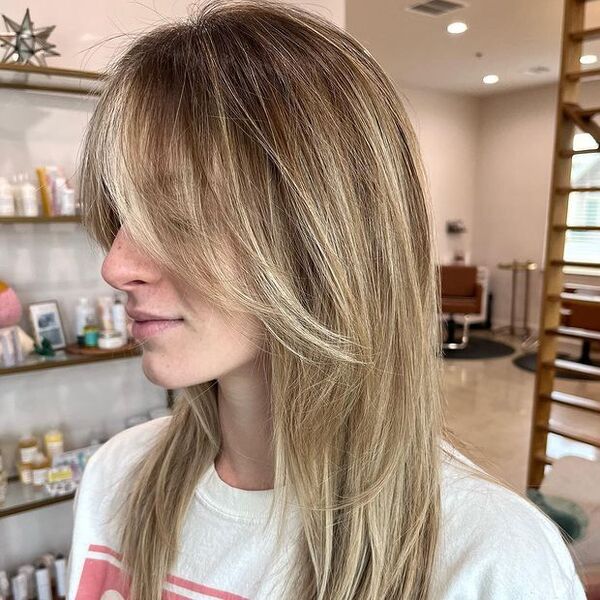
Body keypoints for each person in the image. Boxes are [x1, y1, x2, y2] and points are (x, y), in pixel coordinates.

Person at [65, 1, 586, 599]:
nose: (116, 266)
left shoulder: (490, 561)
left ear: (326, 235)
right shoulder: (116, 477)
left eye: (177, 213)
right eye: (125, 213)